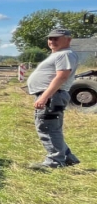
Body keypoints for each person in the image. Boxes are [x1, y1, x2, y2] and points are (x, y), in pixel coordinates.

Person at [26, 27, 80, 169]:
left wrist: (44, 97)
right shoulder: (61, 54)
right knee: (53, 127)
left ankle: (55, 161)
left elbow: (62, 76)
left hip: (52, 96)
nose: (52, 41)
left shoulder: (65, 54)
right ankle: (67, 157)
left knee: (47, 128)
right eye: (50, 38)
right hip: (54, 95)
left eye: (56, 38)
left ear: (68, 39)